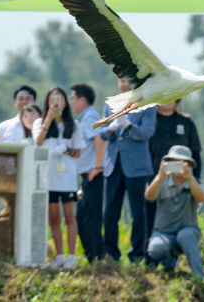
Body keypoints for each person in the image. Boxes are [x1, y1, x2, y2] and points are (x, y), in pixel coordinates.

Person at [99, 77, 156, 263]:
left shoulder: (147, 104)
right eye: (121, 81)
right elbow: (102, 132)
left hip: (136, 166)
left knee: (138, 213)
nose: (124, 85)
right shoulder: (111, 103)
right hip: (114, 163)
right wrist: (113, 128)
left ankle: (137, 255)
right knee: (109, 212)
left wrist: (129, 125)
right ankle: (111, 253)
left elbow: (147, 132)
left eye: (128, 81)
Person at [33, 87, 84, 270]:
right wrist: (48, 119)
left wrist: (65, 150)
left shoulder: (74, 125)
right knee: (53, 218)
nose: (57, 103)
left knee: (70, 217)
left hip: (67, 178)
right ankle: (59, 255)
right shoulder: (40, 123)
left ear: (66, 102)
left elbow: (78, 152)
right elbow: (37, 144)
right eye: (53, 99)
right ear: (47, 102)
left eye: (61, 99)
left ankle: (71, 256)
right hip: (48, 178)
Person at [146, 99, 202, 246]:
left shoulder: (186, 122)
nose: (166, 100)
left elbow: (196, 153)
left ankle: (173, 254)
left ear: (177, 99)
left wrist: (195, 179)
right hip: (154, 176)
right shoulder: (149, 120)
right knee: (148, 215)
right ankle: (147, 255)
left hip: (181, 180)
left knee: (179, 219)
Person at [145, 145, 204, 278]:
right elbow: (149, 196)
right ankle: (170, 265)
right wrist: (159, 177)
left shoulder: (194, 182)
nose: (177, 166)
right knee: (155, 248)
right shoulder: (161, 181)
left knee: (185, 235)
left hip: (188, 231)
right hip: (163, 233)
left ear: (189, 165)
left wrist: (190, 178)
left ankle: (199, 277)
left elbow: (201, 197)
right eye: (173, 162)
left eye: (182, 163)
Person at [69, 83, 104, 264]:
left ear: (83, 100)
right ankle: (94, 257)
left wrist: (97, 167)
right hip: (87, 175)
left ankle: (97, 258)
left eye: (73, 98)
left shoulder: (90, 116)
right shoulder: (84, 118)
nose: (71, 102)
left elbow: (99, 138)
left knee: (89, 219)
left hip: (93, 175)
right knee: (83, 217)